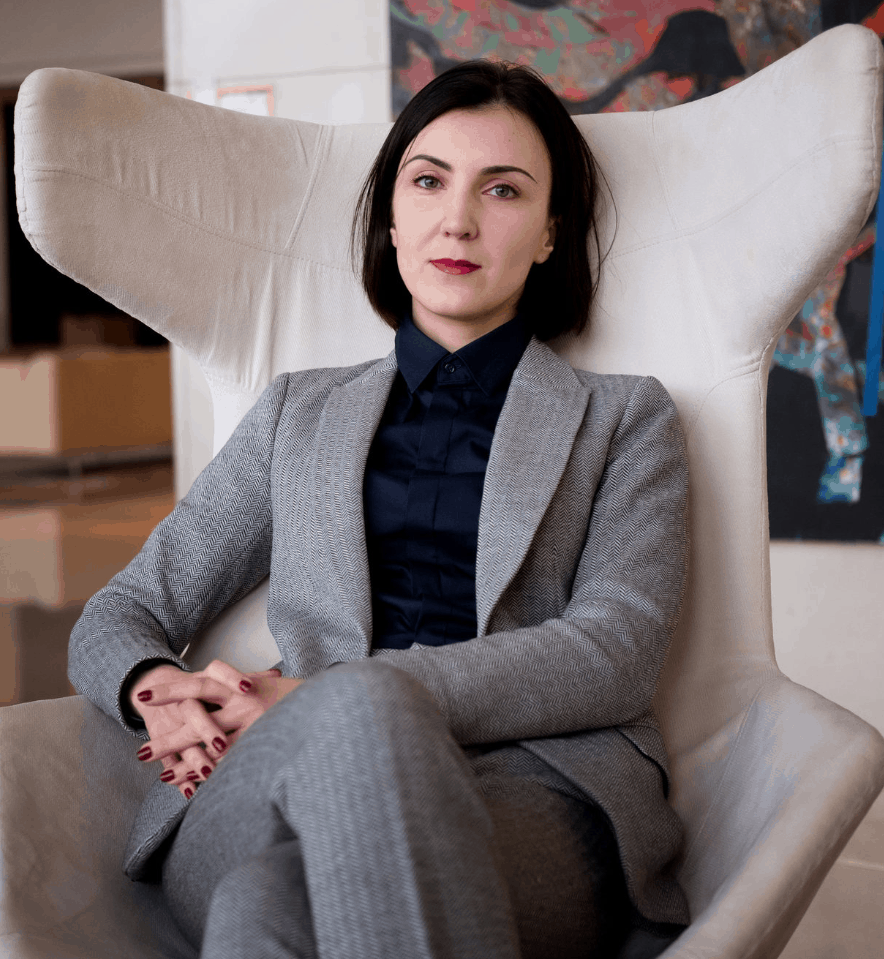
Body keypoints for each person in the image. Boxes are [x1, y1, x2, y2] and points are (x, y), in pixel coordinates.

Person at [68, 59, 691, 959]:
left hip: (533, 780)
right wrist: (156, 694)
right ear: (391, 218)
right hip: (269, 778)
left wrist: (345, 693)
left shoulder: (623, 417)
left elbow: (614, 653)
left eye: (503, 190)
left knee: (265, 912)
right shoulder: (296, 412)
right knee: (341, 746)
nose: (457, 219)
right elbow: (124, 609)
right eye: (428, 181)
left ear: (550, 234)